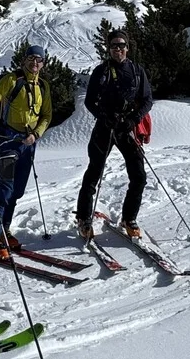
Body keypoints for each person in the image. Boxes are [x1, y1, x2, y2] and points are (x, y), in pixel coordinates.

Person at [0, 45, 52, 259]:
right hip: (8, 141)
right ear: (24, 60)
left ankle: (3, 232)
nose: (34, 63)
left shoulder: (43, 87)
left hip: (28, 144)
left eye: (39, 59)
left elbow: (47, 115)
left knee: (16, 191)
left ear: (43, 63)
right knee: (4, 190)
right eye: (31, 58)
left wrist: (36, 135)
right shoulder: (12, 80)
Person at [75, 29, 153, 240]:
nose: (118, 49)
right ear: (108, 49)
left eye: (121, 45)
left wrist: (133, 119)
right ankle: (83, 217)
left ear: (127, 47)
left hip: (127, 128)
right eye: (114, 46)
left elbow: (147, 100)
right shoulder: (101, 71)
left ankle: (129, 218)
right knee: (94, 173)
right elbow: (90, 101)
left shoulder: (137, 71)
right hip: (105, 126)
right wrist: (103, 116)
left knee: (139, 176)